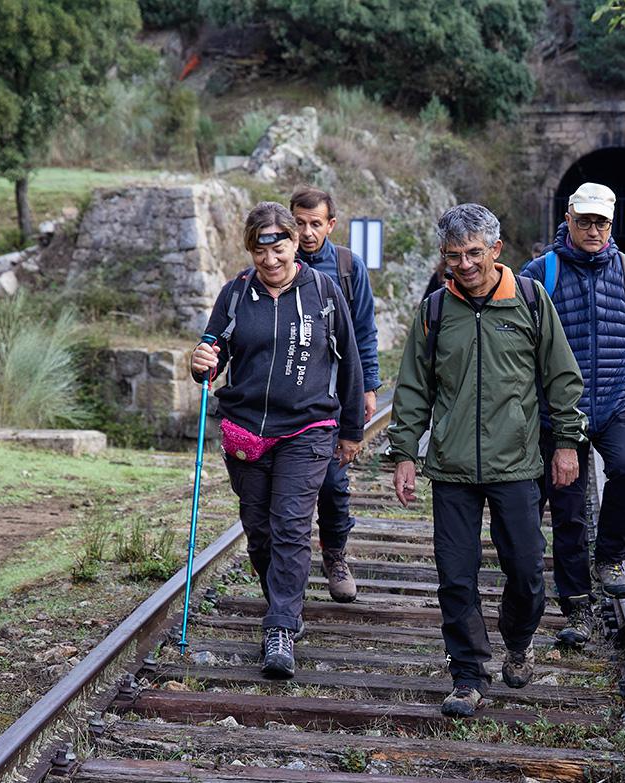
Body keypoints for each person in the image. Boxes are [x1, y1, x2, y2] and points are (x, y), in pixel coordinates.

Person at [389, 204, 587, 717]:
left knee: (525, 570)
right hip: (451, 466)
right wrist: (405, 453)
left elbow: (561, 377)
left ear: (496, 250)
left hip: (517, 464)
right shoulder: (435, 310)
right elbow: (413, 388)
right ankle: (468, 674)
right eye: (455, 256)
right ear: (444, 256)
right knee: (455, 576)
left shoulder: (530, 300)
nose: (466, 264)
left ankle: (517, 641)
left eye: (475, 253)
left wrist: (566, 441)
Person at [190, 201, 364, 679]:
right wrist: (200, 363)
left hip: (308, 429)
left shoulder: (324, 291)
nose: (270, 259)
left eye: (279, 247)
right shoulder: (234, 294)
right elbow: (212, 354)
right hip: (246, 432)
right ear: (250, 249)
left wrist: (350, 431)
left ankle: (281, 627)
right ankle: (282, 605)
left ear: (295, 244)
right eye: (259, 249)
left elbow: (349, 362)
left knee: (290, 525)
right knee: (260, 530)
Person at [520, 182, 625, 646]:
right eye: (583, 220)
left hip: (616, 400)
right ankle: (578, 607)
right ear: (568, 218)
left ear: (611, 223)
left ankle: (610, 557)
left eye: (600, 222)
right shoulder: (541, 271)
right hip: (559, 412)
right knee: (567, 511)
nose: (592, 229)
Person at [290, 187, 380, 604]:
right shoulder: (277, 263)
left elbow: (364, 330)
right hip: (290, 393)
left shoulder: (347, 266)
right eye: (299, 223)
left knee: (332, 481)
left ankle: (335, 556)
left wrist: (368, 386)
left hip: (335, 391)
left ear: (331, 224)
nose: (307, 233)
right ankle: (283, 566)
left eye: (315, 224)